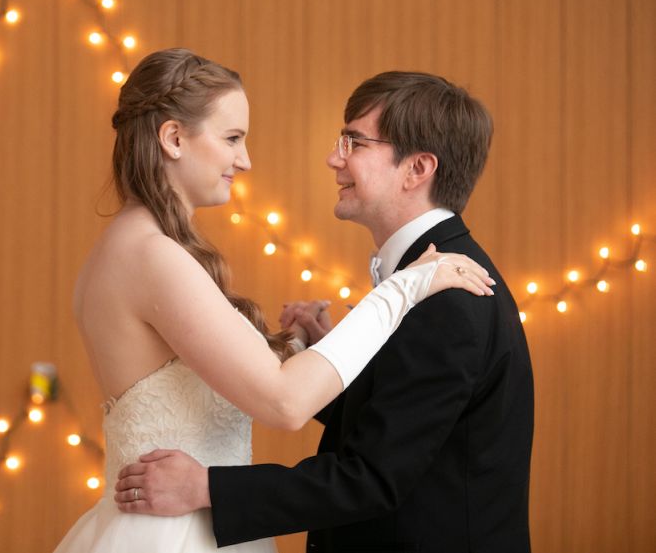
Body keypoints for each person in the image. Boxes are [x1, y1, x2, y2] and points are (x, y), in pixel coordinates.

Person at [52, 51, 495, 553]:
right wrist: (403, 288)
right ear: (174, 139)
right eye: (232, 138)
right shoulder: (153, 256)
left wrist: (305, 341)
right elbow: (284, 402)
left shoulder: (139, 248)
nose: (245, 160)